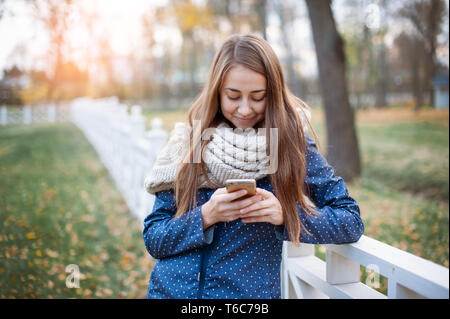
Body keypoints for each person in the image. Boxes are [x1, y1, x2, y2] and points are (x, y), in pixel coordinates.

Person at [143, 33, 364, 299]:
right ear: (217, 92)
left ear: (273, 94)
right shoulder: (190, 143)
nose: (245, 109)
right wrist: (206, 216)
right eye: (233, 96)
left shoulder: (289, 146)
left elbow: (350, 220)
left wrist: (286, 214)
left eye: (257, 97)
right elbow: (154, 238)